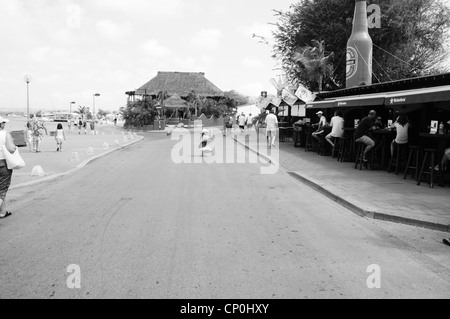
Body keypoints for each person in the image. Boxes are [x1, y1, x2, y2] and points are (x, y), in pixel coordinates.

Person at [0, 116, 18, 220]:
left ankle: (2, 212)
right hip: (2, 163)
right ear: (1, 124)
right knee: (2, 189)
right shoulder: (5, 134)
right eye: (3, 123)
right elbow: (11, 148)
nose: (4, 124)